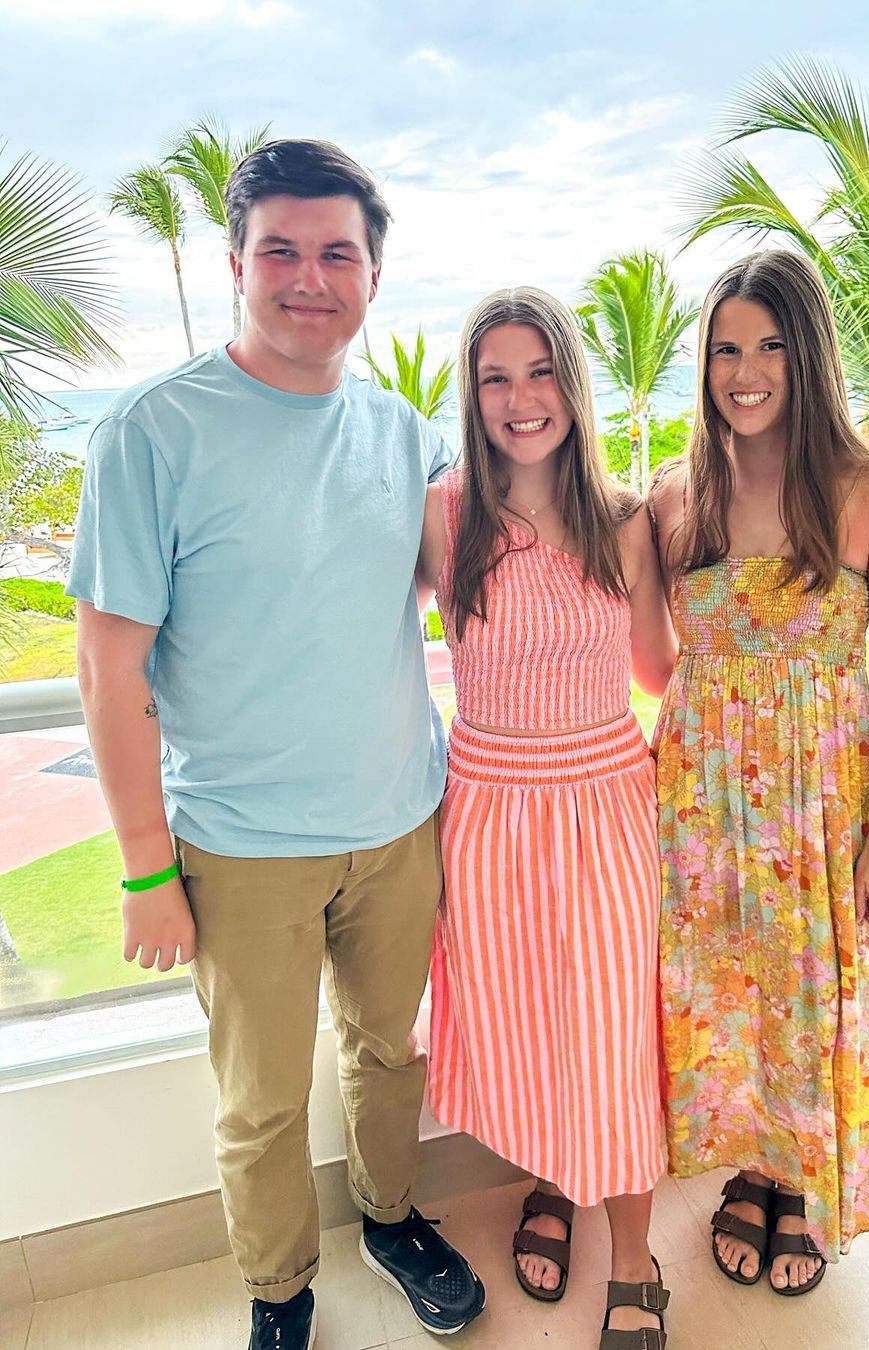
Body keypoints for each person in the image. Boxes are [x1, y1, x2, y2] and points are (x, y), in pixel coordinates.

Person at [67, 138, 485, 1350]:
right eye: (282, 251)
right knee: (260, 1102)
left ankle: (393, 1221)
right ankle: (280, 1289)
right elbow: (108, 670)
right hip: (240, 849)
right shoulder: (152, 432)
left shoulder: (403, 433)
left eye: (337, 254)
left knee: (389, 1054)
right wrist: (145, 867)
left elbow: (494, 562)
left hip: (401, 825)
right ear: (237, 264)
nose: (311, 278)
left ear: (372, 275)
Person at [649, 250, 869, 1296]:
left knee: (812, 1003)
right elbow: (656, 660)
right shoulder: (677, 496)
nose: (746, 371)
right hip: (701, 808)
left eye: (769, 345)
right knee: (728, 996)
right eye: (726, 349)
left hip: (821, 809)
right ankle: (753, 1168)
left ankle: (802, 1180)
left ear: (808, 354)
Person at [415, 287, 678, 1348]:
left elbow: (659, 670)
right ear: (471, 395)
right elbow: (355, 633)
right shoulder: (443, 516)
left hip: (607, 802)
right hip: (485, 810)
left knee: (614, 1030)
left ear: (572, 385)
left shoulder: (625, 519)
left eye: (538, 372)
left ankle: (634, 1259)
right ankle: (555, 1178)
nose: (520, 398)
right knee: (524, 1023)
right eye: (495, 378)